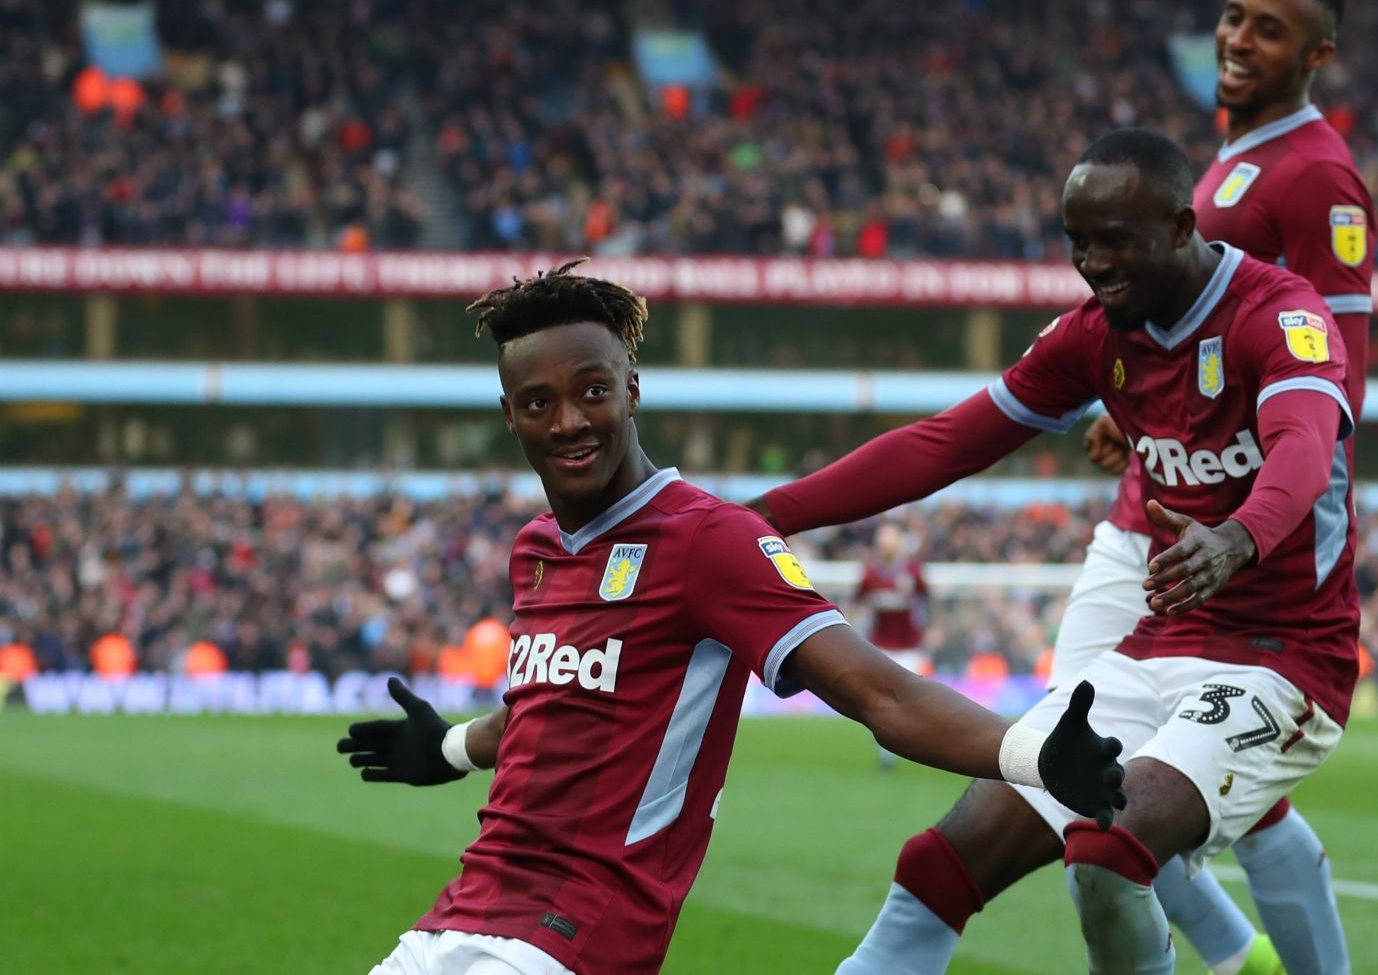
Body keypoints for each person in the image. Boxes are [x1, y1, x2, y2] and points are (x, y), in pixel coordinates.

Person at [334, 261, 1125, 975]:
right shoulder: (538, 548)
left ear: (632, 390)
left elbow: (878, 693)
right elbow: (556, 712)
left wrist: (1034, 755)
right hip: (452, 923)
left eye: (593, 391)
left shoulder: (709, 540)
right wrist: (446, 748)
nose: (570, 421)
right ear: (510, 415)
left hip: (568, 940)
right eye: (540, 403)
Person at [752, 127, 1359, 974]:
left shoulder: (1280, 314)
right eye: (1079, 241)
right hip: (1155, 645)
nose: (1094, 263)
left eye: (1117, 240)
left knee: (1106, 852)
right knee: (941, 864)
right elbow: (944, 443)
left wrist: (1237, 538)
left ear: (1183, 228)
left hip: (1282, 658)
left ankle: (1239, 949)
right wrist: (762, 514)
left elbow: (1301, 447)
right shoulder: (1095, 334)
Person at [1074, 0, 1370, 975]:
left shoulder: (1319, 174)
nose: (1241, 40)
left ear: (1317, 55)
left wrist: (1249, 505)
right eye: (1237, 18)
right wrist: (1141, 409)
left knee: (1093, 772)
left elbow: (1332, 368)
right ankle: (1241, 947)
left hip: (1220, 522)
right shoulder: (1227, 158)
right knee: (1129, 772)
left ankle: (1226, 943)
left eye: (1271, 29)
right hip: (1163, 496)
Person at [857, 520, 932, 769]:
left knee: (911, 701)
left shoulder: (912, 572)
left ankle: (913, 746)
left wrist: (933, 628)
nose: (887, 544)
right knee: (880, 701)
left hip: (909, 646)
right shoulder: (870, 574)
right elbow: (857, 602)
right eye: (883, 539)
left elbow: (928, 599)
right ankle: (886, 752)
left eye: (891, 539)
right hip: (880, 646)